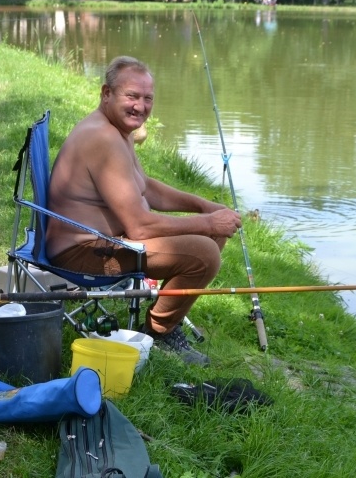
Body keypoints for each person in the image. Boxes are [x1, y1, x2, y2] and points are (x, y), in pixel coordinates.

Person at [47, 56, 242, 365]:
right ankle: (159, 333)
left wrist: (203, 206)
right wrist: (206, 223)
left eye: (147, 98)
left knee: (209, 236)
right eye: (132, 96)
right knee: (205, 252)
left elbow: (145, 186)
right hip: (84, 253)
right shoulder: (103, 137)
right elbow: (139, 227)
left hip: (105, 242)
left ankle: (165, 322)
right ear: (106, 93)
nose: (140, 105)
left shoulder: (117, 130)